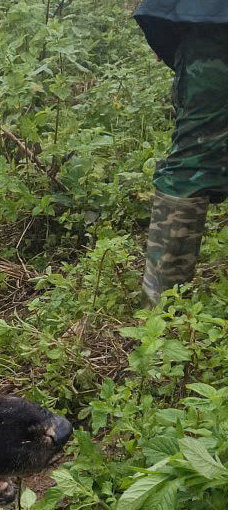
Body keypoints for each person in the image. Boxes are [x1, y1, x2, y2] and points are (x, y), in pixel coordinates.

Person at [133, 1, 228, 307]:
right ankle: (162, 313)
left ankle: (161, 309)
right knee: (194, 160)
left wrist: (163, 20)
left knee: (194, 160)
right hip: (213, 24)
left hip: (210, 24)